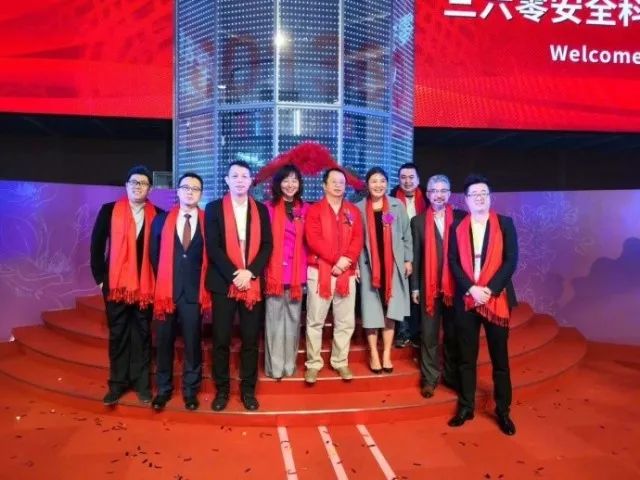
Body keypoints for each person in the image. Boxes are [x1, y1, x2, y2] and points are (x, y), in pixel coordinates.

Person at [447, 174, 518, 436]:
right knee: (466, 358)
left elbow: (511, 260)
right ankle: (466, 407)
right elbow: (453, 262)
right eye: (474, 194)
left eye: (483, 193)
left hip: (495, 298)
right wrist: (471, 289)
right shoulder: (457, 227)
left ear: (490, 197)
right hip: (467, 298)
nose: (479, 198)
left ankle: (503, 411)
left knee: (500, 359)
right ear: (466, 200)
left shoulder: (505, 223)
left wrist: (490, 290)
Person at [90, 165, 162, 406]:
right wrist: (101, 279)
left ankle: (142, 385)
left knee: (142, 335)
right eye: (134, 182)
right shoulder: (109, 210)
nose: (138, 186)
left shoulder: (159, 215)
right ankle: (117, 385)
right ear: (126, 185)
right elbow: (96, 246)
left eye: (143, 183)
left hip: (146, 288)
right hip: (116, 286)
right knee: (118, 334)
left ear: (150, 189)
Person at [205, 160, 272, 411]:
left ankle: (248, 391)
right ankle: (222, 390)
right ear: (227, 180)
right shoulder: (213, 208)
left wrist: (250, 272)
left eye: (245, 176)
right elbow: (213, 246)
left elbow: (267, 245)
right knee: (221, 339)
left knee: (250, 339)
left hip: (252, 282)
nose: (240, 180)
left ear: (251, 180)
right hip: (224, 282)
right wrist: (235, 274)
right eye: (235, 176)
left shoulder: (261, 210)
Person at [149, 172, 210, 411]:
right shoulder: (162, 220)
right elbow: (154, 254)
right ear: (178, 190)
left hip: (194, 293)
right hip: (167, 291)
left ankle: (190, 391)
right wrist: (166, 278)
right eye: (186, 188)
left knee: (192, 344)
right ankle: (163, 390)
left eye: (195, 189)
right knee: (164, 342)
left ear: (201, 194)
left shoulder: (208, 221)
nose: (190, 192)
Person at [304, 168, 364, 384]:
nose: (338, 185)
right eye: (334, 182)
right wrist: (338, 260)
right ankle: (313, 363)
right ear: (324, 185)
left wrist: (347, 260)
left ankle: (340, 361)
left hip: (346, 272)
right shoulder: (314, 210)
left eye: (342, 182)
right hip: (320, 271)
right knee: (315, 321)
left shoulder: (353, 211)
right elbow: (313, 239)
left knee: (345, 321)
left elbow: (358, 238)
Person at [410, 174, 465, 398]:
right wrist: (415, 287)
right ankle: (429, 378)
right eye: (434, 191)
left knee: (453, 334)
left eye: (443, 191)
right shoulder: (418, 222)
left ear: (449, 194)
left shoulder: (461, 217)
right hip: (428, 287)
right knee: (429, 335)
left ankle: (451, 377)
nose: (439, 195)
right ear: (428, 194)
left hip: (456, 287)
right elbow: (415, 257)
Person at [356, 167, 412, 374]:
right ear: (367, 184)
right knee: (371, 312)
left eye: (382, 181)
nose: (378, 185)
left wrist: (408, 259)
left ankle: (386, 353)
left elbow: (406, 235)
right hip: (369, 267)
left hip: (393, 267)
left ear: (387, 184)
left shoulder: (397, 206)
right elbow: (355, 240)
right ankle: (373, 353)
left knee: (391, 310)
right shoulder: (358, 208)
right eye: (374, 181)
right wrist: (355, 265)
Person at [264, 165, 309, 380]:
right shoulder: (268, 208)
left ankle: (289, 365)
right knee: (274, 321)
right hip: (274, 272)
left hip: (297, 273)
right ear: (278, 183)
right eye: (286, 180)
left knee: (293, 320)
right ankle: (275, 367)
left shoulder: (306, 209)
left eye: (294, 180)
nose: (290, 184)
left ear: (299, 184)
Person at [391, 162, 427, 348]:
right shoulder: (390, 199)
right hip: (398, 251)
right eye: (403, 177)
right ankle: (403, 331)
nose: (407, 181)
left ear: (418, 179)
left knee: (419, 290)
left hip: (424, 251)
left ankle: (417, 332)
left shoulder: (428, 198)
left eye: (411, 177)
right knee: (400, 292)